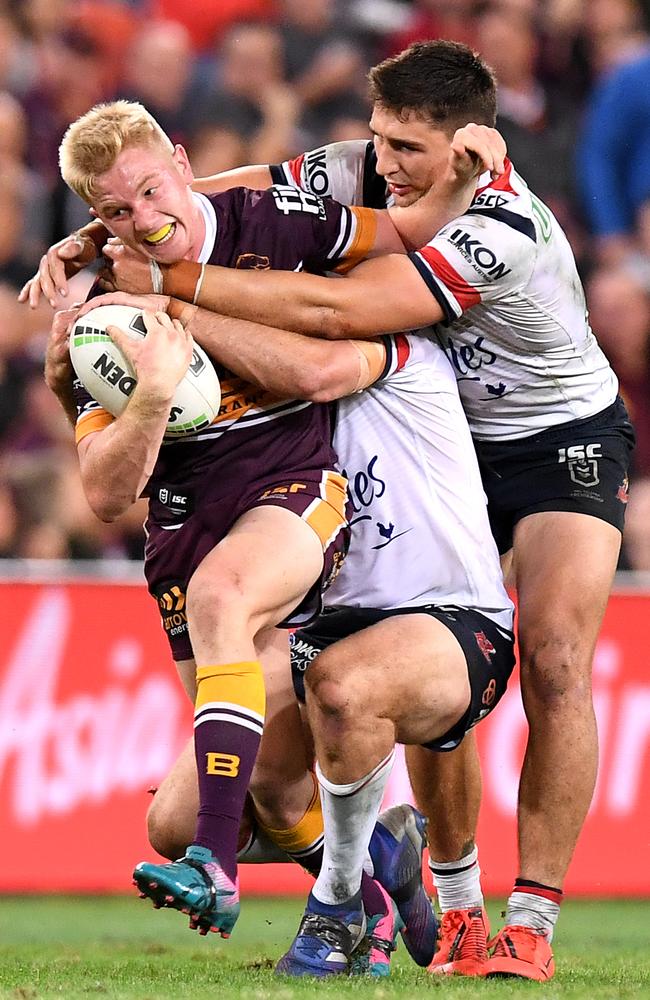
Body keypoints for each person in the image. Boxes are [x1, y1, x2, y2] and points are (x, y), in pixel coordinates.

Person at [55, 41, 634, 982]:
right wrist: (113, 229)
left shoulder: (505, 227)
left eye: (407, 150)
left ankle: (528, 918)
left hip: (549, 436)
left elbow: (333, 324)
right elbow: (230, 191)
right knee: (200, 800)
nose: (382, 170)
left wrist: (163, 285)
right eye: (379, 143)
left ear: (470, 149)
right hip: (445, 443)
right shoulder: (366, 169)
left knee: (559, 659)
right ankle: (447, 903)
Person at [50, 97, 407, 941]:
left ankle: (214, 863)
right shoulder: (98, 313)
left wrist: (485, 178)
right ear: (96, 219)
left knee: (222, 603)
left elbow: (400, 239)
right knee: (235, 804)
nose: (144, 219)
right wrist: (152, 399)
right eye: (114, 212)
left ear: (182, 161)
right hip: (184, 524)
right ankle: (381, 900)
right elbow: (103, 494)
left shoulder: (278, 221)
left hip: (292, 486)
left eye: (150, 190)